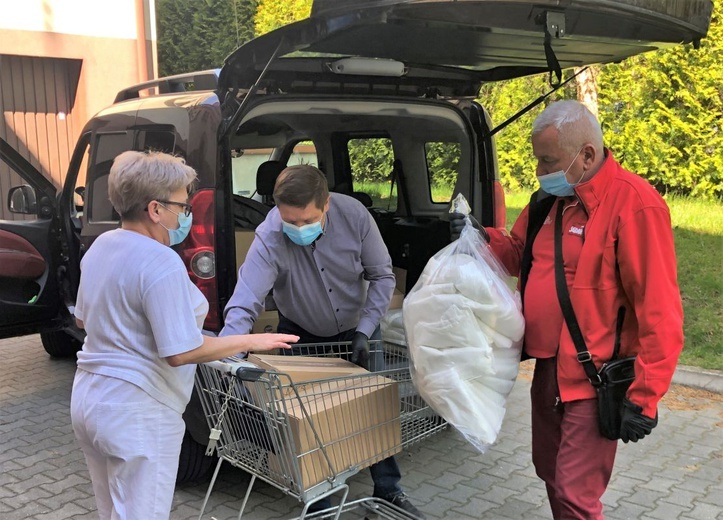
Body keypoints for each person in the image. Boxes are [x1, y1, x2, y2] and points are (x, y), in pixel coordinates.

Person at [450, 100, 683, 519]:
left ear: (587, 155)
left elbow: (660, 310)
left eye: (547, 161)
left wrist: (645, 397)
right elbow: (520, 254)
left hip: (593, 381)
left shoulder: (635, 205)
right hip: (548, 369)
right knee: (551, 474)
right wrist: (480, 237)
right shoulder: (549, 201)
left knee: (577, 493)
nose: (540, 172)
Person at [70, 150, 298, 520]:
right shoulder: (159, 261)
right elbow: (180, 351)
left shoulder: (102, 247)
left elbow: (82, 321)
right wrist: (251, 341)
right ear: (156, 209)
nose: (187, 212)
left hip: (89, 400)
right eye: (182, 203)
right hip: (139, 408)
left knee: (111, 510)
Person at [222, 164, 425, 518]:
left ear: (326, 203)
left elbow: (381, 276)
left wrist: (365, 328)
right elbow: (245, 300)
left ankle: (389, 490)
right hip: (300, 333)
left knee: (373, 410)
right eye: (291, 222)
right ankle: (322, 505)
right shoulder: (270, 233)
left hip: (357, 329)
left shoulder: (355, 216)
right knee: (310, 425)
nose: (299, 229)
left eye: (308, 220)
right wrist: (228, 356)